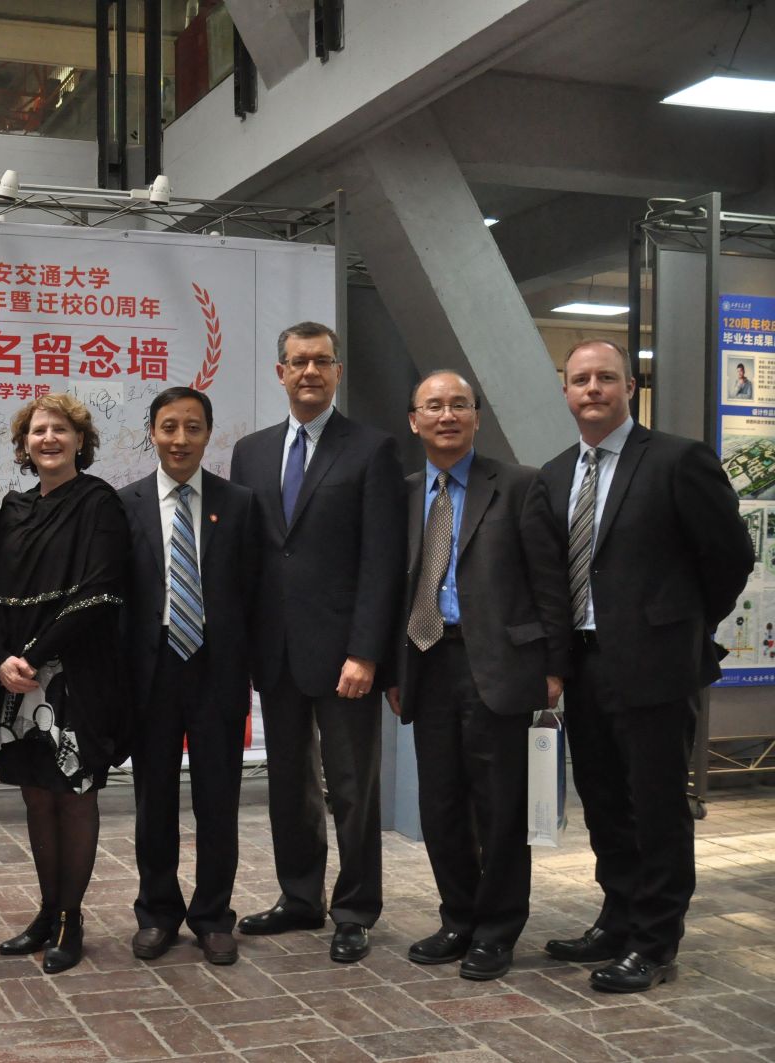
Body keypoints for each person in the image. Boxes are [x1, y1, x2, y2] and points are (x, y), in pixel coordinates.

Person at [531, 339, 753, 992]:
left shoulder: (678, 460)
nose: (592, 388)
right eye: (580, 379)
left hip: (656, 666)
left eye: (606, 377)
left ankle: (654, 942)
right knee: (604, 803)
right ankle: (618, 918)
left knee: (656, 808)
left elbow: (730, 556)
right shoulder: (554, 474)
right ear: (565, 392)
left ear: (629, 386)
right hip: (585, 665)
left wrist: (682, 625)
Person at [228, 321, 405, 964]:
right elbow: (250, 556)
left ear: (337, 372)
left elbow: (382, 561)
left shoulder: (372, 449)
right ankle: (300, 897)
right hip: (275, 652)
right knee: (289, 783)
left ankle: (355, 910)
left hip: (344, 656)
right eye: (299, 362)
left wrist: (366, 652)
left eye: (322, 361)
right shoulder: (250, 452)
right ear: (280, 372)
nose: (310, 372)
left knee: (352, 789)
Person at [385, 371, 570, 981]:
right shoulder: (403, 493)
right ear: (414, 420)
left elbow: (550, 582)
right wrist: (393, 670)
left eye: (459, 405)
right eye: (434, 406)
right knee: (440, 805)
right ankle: (458, 919)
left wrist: (554, 666)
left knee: (500, 809)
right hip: (427, 660)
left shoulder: (518, 484)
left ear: (476, 417)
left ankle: (497, 930)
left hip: (499, 666)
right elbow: (391, 589)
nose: (447, 415)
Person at [0, 394, 131, 974]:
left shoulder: (99, 502)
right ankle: (46, 913)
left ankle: (71, 918)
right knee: (36, 795)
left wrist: (33, 656)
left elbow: (101, 590)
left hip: (76, 676)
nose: (49, 438)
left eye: (61, 429)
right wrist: (1, 658)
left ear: (80, 441)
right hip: (18, 682)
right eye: (38, 430)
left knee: (74, 794)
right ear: (24, 446)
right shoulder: (12, 509)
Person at [120, 386, 259, 967]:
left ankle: (212, 916)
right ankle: (157, 913)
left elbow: (255, 592)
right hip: (150, 674)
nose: (180, 439)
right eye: (169, 427)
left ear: (208, 434)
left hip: (216, 670)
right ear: (151, 433)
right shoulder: (124, 504)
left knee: (218, 801)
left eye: (193, 427)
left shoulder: (240, 503)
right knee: (153, 801)